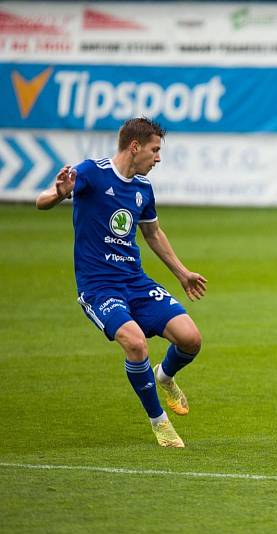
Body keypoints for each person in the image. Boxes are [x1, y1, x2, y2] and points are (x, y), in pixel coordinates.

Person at [36, 117, 207, 448]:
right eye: (155, 150)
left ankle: (165, 376)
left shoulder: (142, 188)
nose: (158, 158)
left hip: (135, 282)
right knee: (135, 343)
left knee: (191, 339)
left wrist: (182, 273)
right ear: (135, 146)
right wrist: (59, 193)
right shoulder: (91, 173)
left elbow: (152, 233)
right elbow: (41, 200)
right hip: (99, 287)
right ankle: (160, 424)